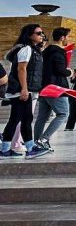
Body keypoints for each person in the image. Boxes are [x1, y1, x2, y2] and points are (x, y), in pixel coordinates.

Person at [1, 24, 46, 159]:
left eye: (42, 33)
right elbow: (22, 69)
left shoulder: (33, 49)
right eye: (38, 33)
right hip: (21, 90)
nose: (42, 35)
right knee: (26, 119)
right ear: (29, 35)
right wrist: (24, 89)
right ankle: (30, 148)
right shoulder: (26, 49)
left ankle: (5, 149)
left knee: (15, 119)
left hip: (23, 89)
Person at [33, 27, 74, 153]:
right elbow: (60, 70)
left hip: (44, 87)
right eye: (67, 37)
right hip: (56, 87)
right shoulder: (58, 52)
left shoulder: (46, 51)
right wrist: (70, 72)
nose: (68, 39)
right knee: (63, 113)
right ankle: (44, 139)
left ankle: (36, 142)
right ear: (62, 38)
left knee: (42, 117)